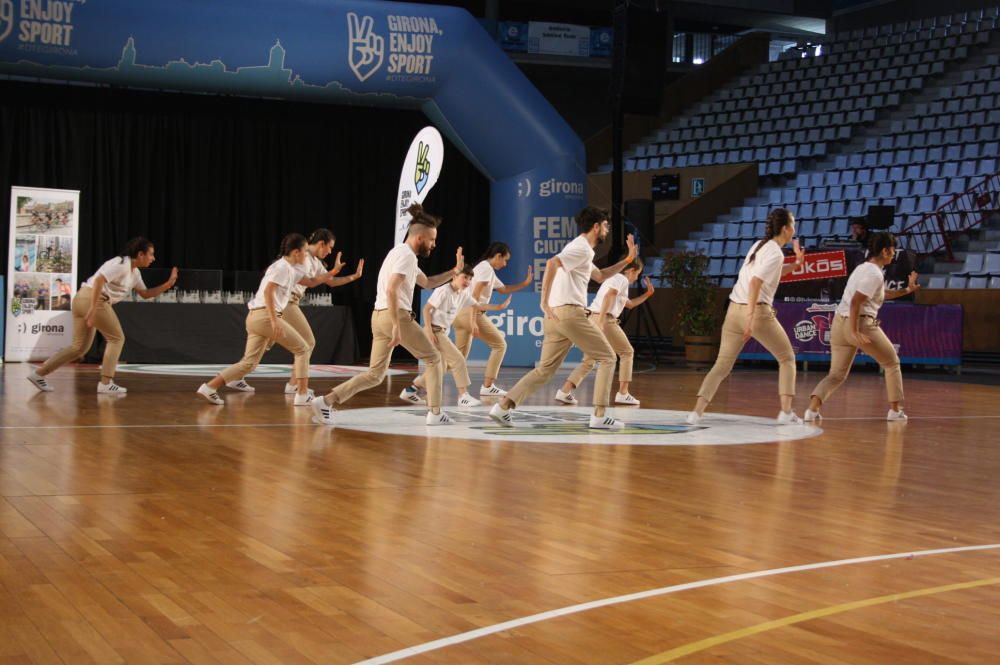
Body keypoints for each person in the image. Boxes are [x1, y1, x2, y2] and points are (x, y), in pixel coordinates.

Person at [311, 203, 464, 426]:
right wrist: (396, 325)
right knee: (434, 359)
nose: (434, 244)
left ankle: (326, 401)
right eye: (432, 240)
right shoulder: (407, 257)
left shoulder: (399, 253)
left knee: (375, 374)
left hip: (378, 316)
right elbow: (392, 289)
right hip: (396, 317)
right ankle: (435, 412)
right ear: (420, 237)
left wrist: (454, 273)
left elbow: (428, 282)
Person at [488, 207, 637, 430]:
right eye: (605, 225)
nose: (607, 229)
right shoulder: (581, 248)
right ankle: (599, 415)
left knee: (544, 370)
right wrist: (543, 301)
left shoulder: (582, 250)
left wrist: (628, 260)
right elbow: (551, 263)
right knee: (607, 357)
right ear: (596, 226)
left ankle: (502, 406)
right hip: (569, 313)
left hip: (556, 317)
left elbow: (601, 276)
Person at [686, 208, 806, 425]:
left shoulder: (760, 246)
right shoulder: (775, 252)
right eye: (793, 225)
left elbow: (769, 273)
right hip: (756, 312)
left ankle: (696, 412)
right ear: (787, 229)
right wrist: (751, 318)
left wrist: (796, 264)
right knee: (787, 358)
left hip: (733, 311)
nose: (794, 229)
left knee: (721, 365)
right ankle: (786, 412)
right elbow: (755, 283)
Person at [224, 228, 364, 397]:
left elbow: (330, 282)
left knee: (262, 347)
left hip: (286, 302)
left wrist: (353, 277)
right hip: (286, 302)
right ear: (321, 244)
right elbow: (299, 278)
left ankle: (236, 376)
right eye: (330, 247)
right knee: (307, 343)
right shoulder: (301, 256)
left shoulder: (314, 262)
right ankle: (294, 385)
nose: (330, 251)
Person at [27, 237, 178, 394]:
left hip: (82, 299)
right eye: (151, 254)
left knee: (78, 349)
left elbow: (146, 294)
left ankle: (38, 374)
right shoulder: (121, 264)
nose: (153, 258)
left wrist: (168, 285)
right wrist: (93, 309)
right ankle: (106, 383)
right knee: (117, 338)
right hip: (93, 299)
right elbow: (99, 280)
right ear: (140, 254)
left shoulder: (135, 273)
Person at [805, 232, 918, 423]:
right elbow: (856, 302)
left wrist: (907, 290)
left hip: (839, 324)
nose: (894, 254)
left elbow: (879, 295)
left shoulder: (862, 269)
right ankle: (895, 411)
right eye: (892, 250)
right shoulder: (874, 273)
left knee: (837, 374)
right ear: (885, 250)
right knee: (892, 363)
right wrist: (855, 331)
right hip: (859, 323)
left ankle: (812, 410)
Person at [196, 234, 317, 406]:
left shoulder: (286, 267)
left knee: (249, 363)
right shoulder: (283, 267)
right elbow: (269, 292)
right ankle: (302, 394)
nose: (306, 255)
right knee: (303, 349)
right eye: (305, 251)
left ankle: (209, 388)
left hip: (255, 317)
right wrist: (275, 321)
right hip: (266, 316)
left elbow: (309, 281)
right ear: (296, 252)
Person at [400, 265, 511, 407]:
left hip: (442, 331)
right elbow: (427, 308)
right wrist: (428, 329)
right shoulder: (443, 291)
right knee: (458, 359)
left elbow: (478, 305)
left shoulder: (463, 294)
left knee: (442, 366)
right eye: (465, 277)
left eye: (470, 279)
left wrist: (498, 307)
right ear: (455, 277)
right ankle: (463, 396)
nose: (468, 281)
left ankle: (411, 390)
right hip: (434, 331)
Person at [556, 257, 655, 406]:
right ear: (630, 270)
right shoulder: (621, 278)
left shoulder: (615, 279)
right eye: (637, 274)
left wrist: (647, 294)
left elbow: (629, 304)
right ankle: (623, 393)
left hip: (591, 317)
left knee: (589, 360)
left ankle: (564, 391)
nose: (637, 278)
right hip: (604, 319)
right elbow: (610, 295)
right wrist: (602, 320)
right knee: (627, 352)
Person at [452, 242, 533, 397]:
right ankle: (488, 387)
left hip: (460, 313)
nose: (505, 264)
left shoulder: (486, 269)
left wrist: (525, 283)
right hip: (470, 313)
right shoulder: (486, 269)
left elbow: (503, 290)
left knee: (456, 358)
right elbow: (475, 296)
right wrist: (473, 320)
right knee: (500, 345)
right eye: (505, 260)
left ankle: (416, 386)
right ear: (498, 256)